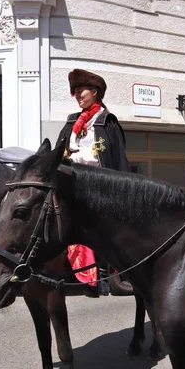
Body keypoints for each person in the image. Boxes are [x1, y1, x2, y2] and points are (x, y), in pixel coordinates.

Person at [57, 69, 130, 296]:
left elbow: (117, 159)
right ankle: (78, 276)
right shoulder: (72, 122)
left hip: (100, 186)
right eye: (75, 92)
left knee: (102, 232)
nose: (77, 96)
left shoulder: (106, 122)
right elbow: (60, 151)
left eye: (81, 91)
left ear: (95, 92)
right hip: (75, 185)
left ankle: (104, 276)